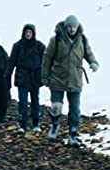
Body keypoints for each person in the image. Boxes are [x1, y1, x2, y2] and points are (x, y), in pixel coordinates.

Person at [41, 15, 99, 146]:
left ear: (77, 26)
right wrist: (44, 76)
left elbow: (88, 53)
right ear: (66, 27)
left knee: (75, 109)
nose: (72, 29)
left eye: (74, 26)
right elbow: (47, 58)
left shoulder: (82, 39)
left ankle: (72, 134)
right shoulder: (56, 39)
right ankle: (54, 126)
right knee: (56, 106)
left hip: (75, 79)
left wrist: (93, 62)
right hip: (57, 78)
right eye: (69, 26)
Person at [8, 24, 46, 133]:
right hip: (22, 77)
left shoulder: (40, 46)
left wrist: (46, 76)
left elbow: (46, 62)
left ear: (33, 33)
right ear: (23, 33)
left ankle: (36, 124)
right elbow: (11, 62)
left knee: (35, 101)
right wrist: (7, 77)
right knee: (23, 102)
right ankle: (22, 125)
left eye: (30, 32)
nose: (28, 34)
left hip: (35, 77)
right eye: (26, 32)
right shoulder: (17, 46)